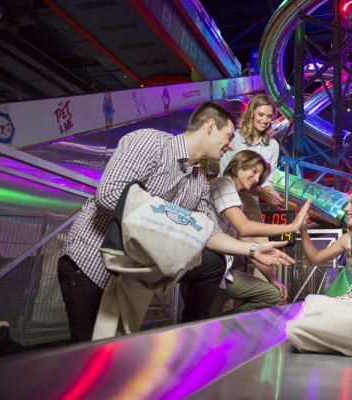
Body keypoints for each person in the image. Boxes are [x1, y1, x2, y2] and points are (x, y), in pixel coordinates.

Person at [58, 101, 295, 342]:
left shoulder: (198, 183)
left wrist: (254, 249)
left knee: (213, 262)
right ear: (210, 126)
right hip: (92, 262)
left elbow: (210, 233)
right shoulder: (151, 142)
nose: (231, 145)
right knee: (87, 351)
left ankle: (191, 336)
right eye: (228, 136)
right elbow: (109, 194)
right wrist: (173, 226)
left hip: (130, 272)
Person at [209, 150, 311, 316]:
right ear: (238, 166)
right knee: (203, 325)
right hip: (210, 275)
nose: (256, 179)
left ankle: (225, 322)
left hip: (224, 275)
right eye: (254, 171)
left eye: (259, 175)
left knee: (274, 295)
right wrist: (291, 227)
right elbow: (244, 228)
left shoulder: (235, 198)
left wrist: (274, 280)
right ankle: (219, 322)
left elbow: (248, 244)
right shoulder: (223, 184)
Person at [219, 94, 284, 281]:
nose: (265, 120)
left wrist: (269, 192)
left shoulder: (272, 145)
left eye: (269, 116)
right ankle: (226, 294)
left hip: (249, 200)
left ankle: (264, 292)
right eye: (261, 114)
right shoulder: (235, 138)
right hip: (226, 196)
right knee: (227, 252)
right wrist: (261, 189)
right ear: (251, 113)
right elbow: (226, 175)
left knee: (265, 251)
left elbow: (268, 181)